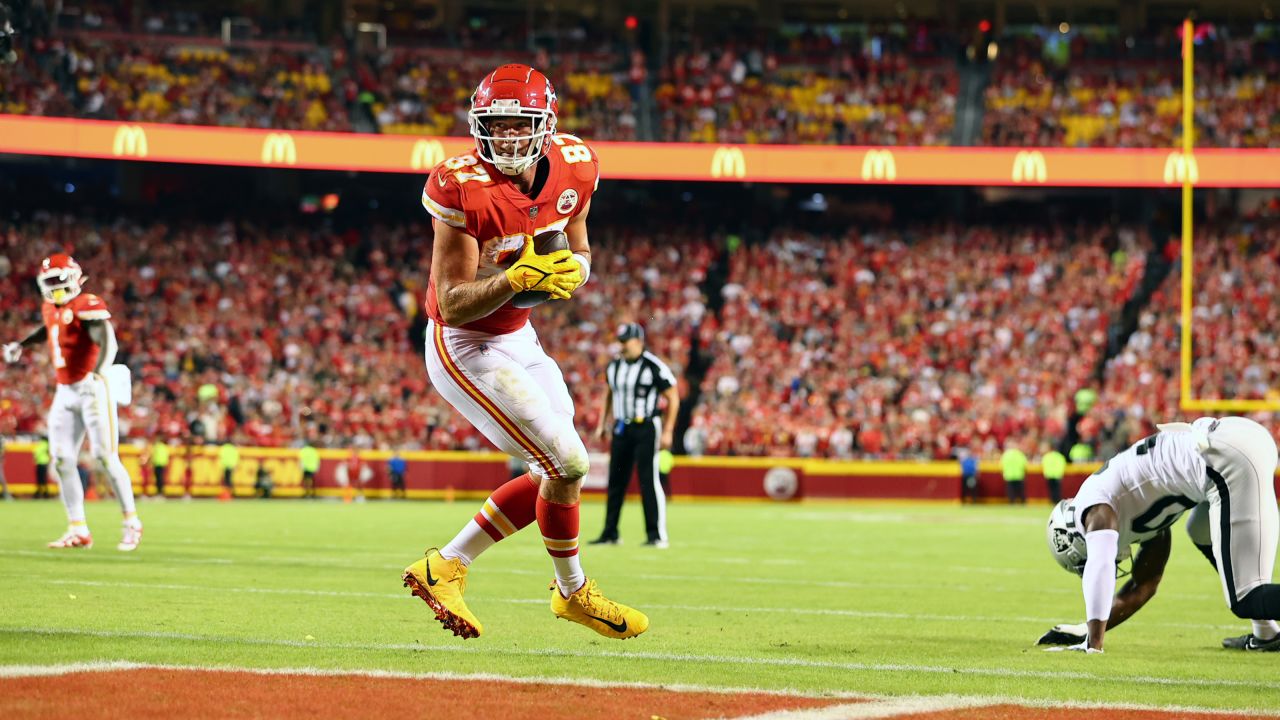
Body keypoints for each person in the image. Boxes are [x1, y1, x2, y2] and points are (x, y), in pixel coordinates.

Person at [401, 63, 648, 641]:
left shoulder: (577, 164)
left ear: (545, 123)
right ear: (478, 125)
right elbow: (453, 303)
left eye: (520, 125)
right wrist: (516, 280)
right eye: (498, 125)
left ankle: (449, 568)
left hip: (518, 335)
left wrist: (573, 272)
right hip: (464, 343)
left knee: (559, 468)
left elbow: (580, 245)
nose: (509, 138)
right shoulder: (460, 184)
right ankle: (570, 591)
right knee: (568, 460)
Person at [1042, 417, 1280, 653]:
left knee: (1245, 598)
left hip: (1224, 460)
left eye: (1084, 564)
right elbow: (1144, 583)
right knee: (1199, 529)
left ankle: (1262, 620)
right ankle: (1266, 633)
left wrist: (1092, 644)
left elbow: (1100, 563)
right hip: (1242, 436)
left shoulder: (1094, 508)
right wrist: (1086, 628)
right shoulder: (1130, 511)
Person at [2, 253, 142, 550]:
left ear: (75, 278)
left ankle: (131, 522)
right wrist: (22, 345)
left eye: (59, 281)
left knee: (105, 457)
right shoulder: (51, 308)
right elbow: (50, 330)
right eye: (49, 283)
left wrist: (99, 373)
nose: (54, 289)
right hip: (64, 390)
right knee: (63, 459)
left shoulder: (85, 304)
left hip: (91, 388)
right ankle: (78, 528)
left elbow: (109, 341)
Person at [590, 323, 679, 548]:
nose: (621, 345)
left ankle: (656, 535)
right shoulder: (614, 367)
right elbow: (608, 394)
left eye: (625, 341)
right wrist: (602, 424)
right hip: (621, 428)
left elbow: (673, 397)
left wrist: (668, 430)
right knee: (616, 481)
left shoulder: (653, 366)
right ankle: (610, 533)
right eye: (620, 341)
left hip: (646, 426)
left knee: (648, 479)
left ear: (638, 341)